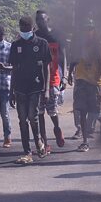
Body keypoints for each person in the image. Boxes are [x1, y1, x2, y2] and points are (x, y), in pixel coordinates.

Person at [6, 16, 51, 163]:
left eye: (27, 29)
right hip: (19, 87)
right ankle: (27, 151)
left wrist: (46, 89)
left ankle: (38, 142)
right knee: (22, 120)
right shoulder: (16, 45)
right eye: (22, 29)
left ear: (32, 29)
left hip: (36, 86)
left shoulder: (42, 44)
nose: (24, 32)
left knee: (33, 116)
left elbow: (47, 67)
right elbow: (13, 69)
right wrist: (11, 91)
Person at [68, 19, 101, 152]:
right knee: (82, 111)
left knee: (95, 112)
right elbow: (73, 61)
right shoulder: (79, 45)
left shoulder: (99, 45)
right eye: (85, 29)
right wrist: (69, 75)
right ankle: (85, 142)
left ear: (94, 31)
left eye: (90, 29)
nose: (87, 32)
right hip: (81, 82)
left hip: (95, 83)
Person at [34, 10, 67, 151]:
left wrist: (64, 76)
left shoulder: (57, 35)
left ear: (48, 19)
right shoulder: (35, 36)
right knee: (39, 112)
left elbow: (63, 56)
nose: (40, 22)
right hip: (38, 79)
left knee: (52, 110)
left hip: (53, 77)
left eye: (42, 19)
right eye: (37, 20)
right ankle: (45, 142)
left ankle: (57, 128)